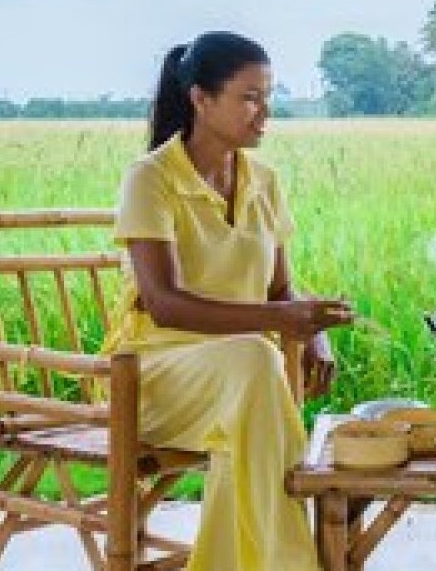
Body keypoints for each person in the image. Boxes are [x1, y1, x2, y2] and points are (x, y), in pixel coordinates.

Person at [103, 30, 354, 571]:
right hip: (153, 373)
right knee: (257, 357)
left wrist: (317, 332)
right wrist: (279, 321)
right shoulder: (150, 180)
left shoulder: (264, 181)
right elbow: (165, 303)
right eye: (249, 97)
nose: (265, 112)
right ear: (200, 99)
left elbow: (281, 291)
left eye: (268, 97)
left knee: (252, 397)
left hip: (241, 380)